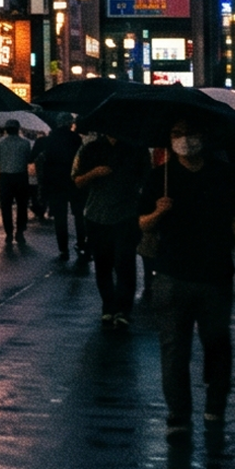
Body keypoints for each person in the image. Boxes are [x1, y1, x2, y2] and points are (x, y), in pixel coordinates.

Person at [140, 113, 235, 429]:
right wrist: (157, 212)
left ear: (204, 137)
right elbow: (141, 223)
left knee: (217, 343)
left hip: (216, 273)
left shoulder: (225, 175)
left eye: (190, 133)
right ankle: (179, 411)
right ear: (170, 139)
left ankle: (215, 407)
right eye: (178, 132)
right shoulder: (159, 177)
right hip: (171, 274)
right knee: (174, 348)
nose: (185, 139)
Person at [73, 128, 149, 327]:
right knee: (102, 264)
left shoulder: (136, 149)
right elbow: (78, 181)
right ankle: (108, 306)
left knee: (125, 263)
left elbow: (146, 180)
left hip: (127, 215)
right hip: (96, 215)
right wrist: (95, 173)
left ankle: (123, 309)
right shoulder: (91, 149)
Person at [34, 113, 82, 264]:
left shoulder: (50, 139)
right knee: (79, 215)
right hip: (74, 182)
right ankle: (81, 243)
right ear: (70, 124)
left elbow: (42, 159)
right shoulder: (76, 139)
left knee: (60, 218)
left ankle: (63, 249)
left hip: (55, 182)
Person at [0, 121, 35, 244]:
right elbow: (28, 159)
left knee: (6, 206)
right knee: (22, 205)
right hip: (21, 177)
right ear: (18, 129)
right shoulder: (25, 143)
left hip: (5, 177)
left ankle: (9, 233)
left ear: (6, 129)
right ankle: (20, 232)